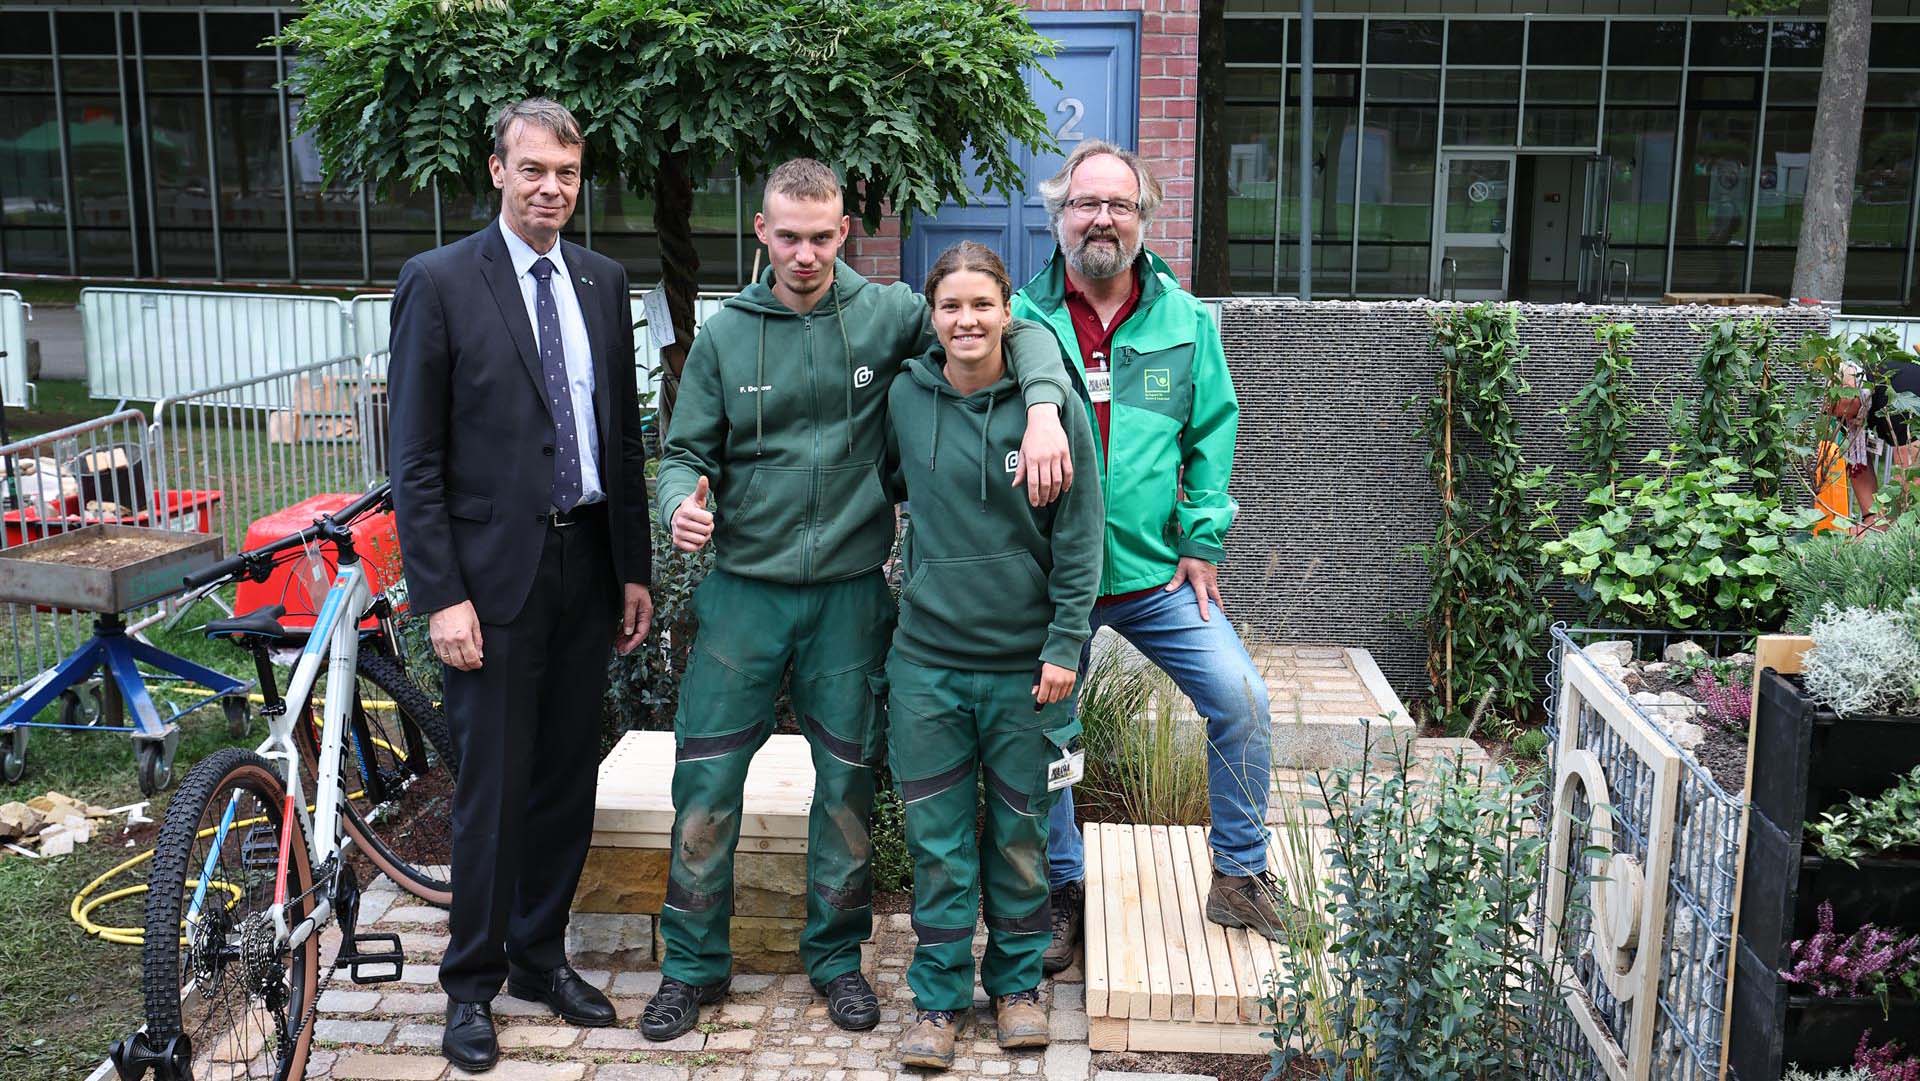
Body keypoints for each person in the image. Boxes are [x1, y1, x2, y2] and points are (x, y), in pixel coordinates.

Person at [642, 159, 1077, 1041]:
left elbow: (1009, 326)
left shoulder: (889, 315)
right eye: (788, 236)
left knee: (845, 786)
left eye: (822, 235)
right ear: (761, 232)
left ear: (845, 232)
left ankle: (838, 960)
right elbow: (683, 450)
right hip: (742, 599)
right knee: (706, 785)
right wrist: (677, 501)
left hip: (849, 596)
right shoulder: (726, 335)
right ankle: (690, 965)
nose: (805, 253)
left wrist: (1041, 404)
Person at [388, 98, 654, 1072]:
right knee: (492, 791)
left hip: (585, 565)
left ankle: (542, 956)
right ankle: (470, 984)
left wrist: (634, 568)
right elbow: (414, 459)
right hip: (489, 583)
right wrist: (440, 594)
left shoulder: (600, 278)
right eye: (534, 170)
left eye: (568, 174)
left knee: (563, 780)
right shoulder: (440, 282)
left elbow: (621, 438)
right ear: (496, 170)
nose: (552, 189)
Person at [1009, 141, 1290, 975]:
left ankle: (1239, 874)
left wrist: (1203, 541)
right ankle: (1064, 889)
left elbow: (1212, 435)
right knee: (1042, 726)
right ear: (1058, 216)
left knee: (1241, 697)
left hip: (1152, 577)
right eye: (1084, 204)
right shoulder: (1020, 317)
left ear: (1143, 219)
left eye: (1118, 206)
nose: (1101, 218)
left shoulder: (1187, 321)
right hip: (1050, 581)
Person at [881, 241, 1104, 1069]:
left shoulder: (1053, 406)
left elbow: (1083, 539)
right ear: (931, 316)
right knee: (936, 841)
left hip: (1028, 670)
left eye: (984, 303)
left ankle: (1015, 987)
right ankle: (937, 999)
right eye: (951, 306)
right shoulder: (907, 393)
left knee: (1019, 837)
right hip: (928, 664)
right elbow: (887, 480)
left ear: (1010, 310)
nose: (967, 319)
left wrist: (1063, 646)